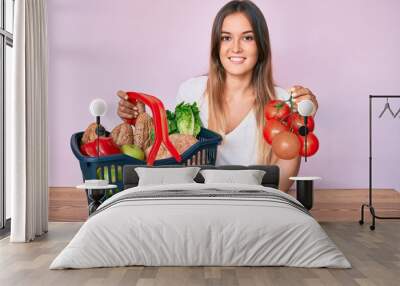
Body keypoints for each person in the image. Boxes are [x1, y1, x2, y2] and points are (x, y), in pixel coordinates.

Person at [116, 0, 318, 192]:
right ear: (217, 45)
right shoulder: (191, 92)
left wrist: (302, 124)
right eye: (226, 38)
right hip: (198, 204)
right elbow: (171, 153)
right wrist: (141, 121)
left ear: (261, 46)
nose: (236, 47)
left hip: (253, 205)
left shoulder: (282, 101)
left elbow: (280, 186)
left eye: (248, 37)